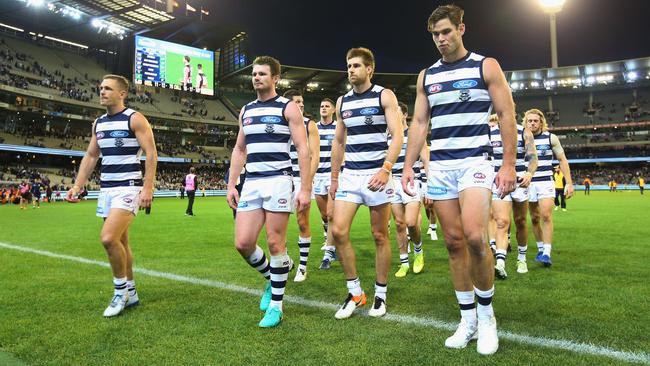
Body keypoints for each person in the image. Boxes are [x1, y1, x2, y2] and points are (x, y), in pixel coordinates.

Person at [402, 4, 517, 355]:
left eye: (446, 32)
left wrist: (509, 164)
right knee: (452, 243)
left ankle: (486, 317)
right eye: (435, 34)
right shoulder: (427, 76)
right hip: (441, 167)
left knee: (475, 238)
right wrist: (408, 166)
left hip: (475, 163)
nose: (440, 39)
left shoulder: (486, 65)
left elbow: (505, 112)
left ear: (461, 29)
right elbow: (420, 124)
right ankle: (467, 320)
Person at [226, 56, 311, 328]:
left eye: (262, 73)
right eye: (254, 74)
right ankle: (272, 275)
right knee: (243, 243)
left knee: (275, 243)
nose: (256, 77)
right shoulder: (246, 110)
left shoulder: (287, 108)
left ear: (275, 78)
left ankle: (276, 306)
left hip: (278, 180)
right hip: (252, 182)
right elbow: (240, 149)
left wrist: (305, 187)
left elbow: (302, 148)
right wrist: (231, 184)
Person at [66, 74, 158, 317]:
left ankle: (120, 292)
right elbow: (91, 156)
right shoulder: (98, 123)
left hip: (128, 187)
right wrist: (77, 185)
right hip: (106, 189)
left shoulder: (135, 119)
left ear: (122, 93)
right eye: (100, 87)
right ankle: (132, 291)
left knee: (108, 238)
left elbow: (151, 153)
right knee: (121, 242)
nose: (102, 92)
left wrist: (148, 187)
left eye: (107, 88)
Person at [329, 47, 403, 320]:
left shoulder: (384, 94)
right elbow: (338, 141)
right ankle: (355, 293)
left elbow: (397, 135)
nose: (351, 70)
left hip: (377, 174)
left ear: (370, 69)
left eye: (357, 65)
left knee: (379, 235)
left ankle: (380, 294)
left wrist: (386, 169)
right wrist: (335, 178)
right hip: (350, 175)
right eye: (349, 65)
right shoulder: (342, 102)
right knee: (338, 232)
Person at [488, 114, 538, 279]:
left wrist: (529, 174)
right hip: (498, 183)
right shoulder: (490, 132)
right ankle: (500, 263)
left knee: (521, 221)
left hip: (519, 182)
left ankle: (521, 258)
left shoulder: (524, 132)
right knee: (502, 222)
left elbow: (532, 157)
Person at [524, 108, 574, 268]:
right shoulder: (521, 138)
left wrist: (569, 183)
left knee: (545, 214)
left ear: (541, 122)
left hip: (546, 181)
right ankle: (540, 249)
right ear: (525, 122)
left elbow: (562, 160)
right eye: (529, 120)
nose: (532, 123)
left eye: (535, 120)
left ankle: (546, 252)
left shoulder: (550, 138)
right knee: (534, 218)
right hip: (528, 182)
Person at [283, 89, 320, 282]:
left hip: (300, 180)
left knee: (302, 222)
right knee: (279, 225)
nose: (302, 104)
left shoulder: (309, 124)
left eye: (302, 101)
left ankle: (303, 267)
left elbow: (314, 156)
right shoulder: (281, 122)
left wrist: (306, 181)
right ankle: (285, 261)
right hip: (281, 178)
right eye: (297, 101)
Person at [391, 102, 429, 278]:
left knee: (411, 222)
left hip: (412, 181)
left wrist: (428, 185)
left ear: (404, 114)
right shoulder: (388, 134)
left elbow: (426, 159)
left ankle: (418, 251)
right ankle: (404, 262)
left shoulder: (414, 133)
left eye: (396, 111)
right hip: (392, 182)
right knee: (399, 224)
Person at [313, 98, 339, 269]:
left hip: (333, 176)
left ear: (334, 110)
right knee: (324, 215)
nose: (323, 108)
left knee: (330, 214)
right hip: (317, 175)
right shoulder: (313, 128)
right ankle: (329, 237)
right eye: (321, 106)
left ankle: (328, 253)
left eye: (327, 106)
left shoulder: (338, 127)